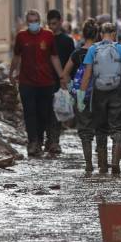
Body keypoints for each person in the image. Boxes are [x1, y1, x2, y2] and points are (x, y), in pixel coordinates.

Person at [78, 22, 121, 175]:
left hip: (99, 92)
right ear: (115, 33)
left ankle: (103, 165)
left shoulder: (93, 49)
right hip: (117, 91)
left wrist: (80, 96)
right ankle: (115, 162)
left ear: (100, 34)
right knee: (117, 127)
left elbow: (87, 75)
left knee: (101, 128)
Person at [10, 10, 64, 158]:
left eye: (35, 21)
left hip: (46, 82)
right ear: (27, 23)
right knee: (29, 113)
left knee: (43, 113)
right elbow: (16, 56)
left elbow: (54, 57)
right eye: (30, 21)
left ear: (40, 21)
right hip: (26, 81)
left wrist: (61, 76)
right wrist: (11, 72)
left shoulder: (48, 36)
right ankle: (33, 142)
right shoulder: (21, 37)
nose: (33, 24)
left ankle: (40, 140)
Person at [61, 19, 99, 172]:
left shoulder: (77, 53)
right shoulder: (100, 51)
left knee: (85, 130)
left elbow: (65, 75)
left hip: (81, 97)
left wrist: (72, 90)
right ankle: (103, 163)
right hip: (100, 95)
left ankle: (89, 162)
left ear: (83, 34)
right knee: (101, 129)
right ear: (97, 35)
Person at [45, 9, 76, 154]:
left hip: (60, 81)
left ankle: (54, 141)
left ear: (60, 22)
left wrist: (69, 79)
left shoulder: (67, 41)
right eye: (50, 24)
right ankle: (47, 139)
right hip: (44, 79)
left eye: (55, 23)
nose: (52, 27)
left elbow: (73, 61)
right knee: (45, 111)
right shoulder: (44, 39)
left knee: (57, 111)